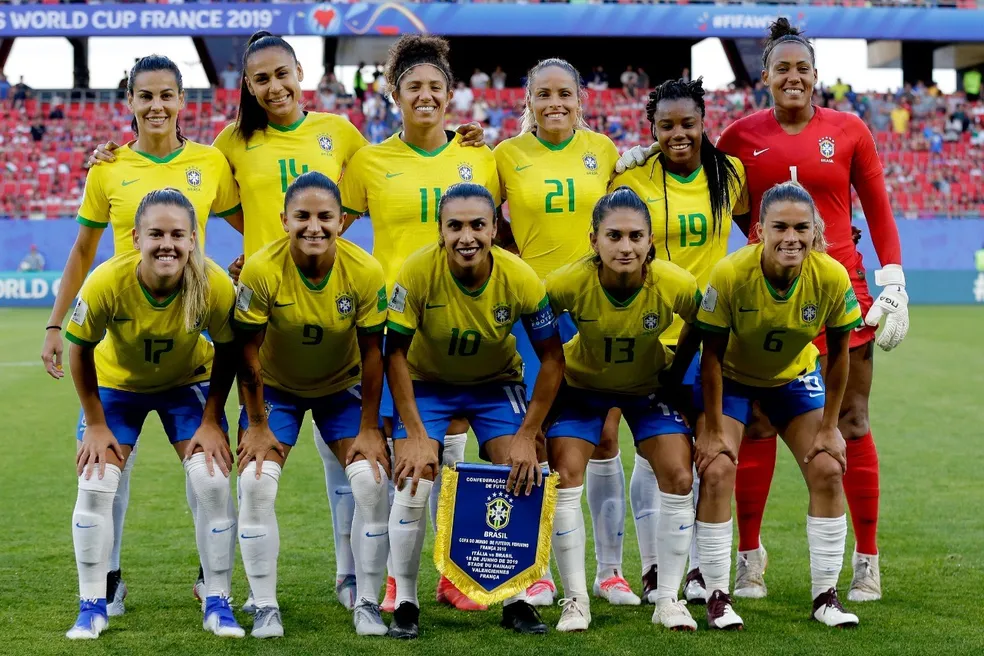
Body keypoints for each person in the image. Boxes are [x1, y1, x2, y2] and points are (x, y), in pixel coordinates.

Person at [85, 31, 485, 610]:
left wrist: (459, 138)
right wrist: (118, 153)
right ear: (247, 87)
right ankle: (222, 580)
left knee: (350, 453)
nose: (274, 87)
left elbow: (387, 173)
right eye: (261, 79)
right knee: (248, 454)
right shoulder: (231, 142)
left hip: (339, 306)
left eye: (282, 74)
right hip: (262, 312)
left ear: (301, 73)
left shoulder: (341, 134)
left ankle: (355, 576)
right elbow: (188, 182)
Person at [616, 18, 907, 603]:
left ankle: (866, 560)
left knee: (851, 421)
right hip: (762, 302)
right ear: (765, 78)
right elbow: (692, 155)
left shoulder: (850, 130)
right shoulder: (742, 136)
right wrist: (640, 151)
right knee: (756, 424)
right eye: (782, 69)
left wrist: (893, 279)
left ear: (817, 76)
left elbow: (877, 208)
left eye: (803, 68)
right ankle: (748, 560)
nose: (793, 77)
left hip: (837, 291)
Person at [42, 55, 243, 618]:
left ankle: (213, 580)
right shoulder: (107, 167)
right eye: (145, 95)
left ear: (183, 102)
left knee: (207, 473)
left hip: (189, 351)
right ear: (129, 101)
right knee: (106, 470)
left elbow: (257, 223)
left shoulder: (211, 163)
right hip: (121, 345)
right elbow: (84, 252)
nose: (156, 105)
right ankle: (106, 581)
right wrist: (58, 324)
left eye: (167, 95)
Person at [339, 34, 499, 613]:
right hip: (390, 327)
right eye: (414, 87)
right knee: (394, 456)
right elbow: (329, 224)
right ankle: (389, 578)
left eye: (435, 87)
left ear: (450, 94)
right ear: (394, 95)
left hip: (460, 326)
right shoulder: (368, 162)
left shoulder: (481, 156)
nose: (425, 96)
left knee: (450, 457)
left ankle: (453, 573)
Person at [384, 182, 565, 639]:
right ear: (440, 230)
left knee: (521, 468)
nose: (467, 236)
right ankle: (405, 600)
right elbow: (394, 355)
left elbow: (553, 359)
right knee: (414, 472)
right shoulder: (417, 271)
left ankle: (518, 599)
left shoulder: (520, 276)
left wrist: (528, 433)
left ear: (495, 228)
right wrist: (414, 431)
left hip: (493, 386)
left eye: (478, 225)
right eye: (456, 226)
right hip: (428, 385)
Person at [64, 189, 241, 640]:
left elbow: (229, 348)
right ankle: (92, 604)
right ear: (135, 237)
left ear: (194, 238)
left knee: (213, 479)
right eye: (156, 234)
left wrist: (211, 418)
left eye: (178, 234)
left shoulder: (212, 283)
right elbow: (79, 349)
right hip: (117, 388)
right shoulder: (107, 281)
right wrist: (96, 424)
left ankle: (217, 598)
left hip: (186, 385)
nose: (168, 243)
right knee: (96, 480)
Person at [493, 57, 631, 608]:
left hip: (595, 305)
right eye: (543, 94)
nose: (555, 103)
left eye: (565, 94)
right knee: (540, 435)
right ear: (528, 100)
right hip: (534, 309)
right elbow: (478, 213)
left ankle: (612, 571)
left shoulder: (604, 152)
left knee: (604, 437)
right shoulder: (504, 155)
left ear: (581, 99)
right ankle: (540, 565)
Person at [693, 181, 862, 630]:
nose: (791, 237)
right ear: (760, 231)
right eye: (780, 227)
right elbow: (709, 356)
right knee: (716, 469)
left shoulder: (831, 275)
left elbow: (840, 353)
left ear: (815, 231)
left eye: (801, 228)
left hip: (792, 376)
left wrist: (829, 427)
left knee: (828, 466)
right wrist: (711, 428)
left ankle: (826, 596)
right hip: (731, 378)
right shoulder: (730, 273)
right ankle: (716, 595)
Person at [232, 173, 389, 639]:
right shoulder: (262, 270)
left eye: (325, 217)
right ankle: (264, 605)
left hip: (341, 388)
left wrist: (369, 428)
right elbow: (246, 352)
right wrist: (257, 424)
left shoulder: (364, 271)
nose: (314, 226)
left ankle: (366, 600)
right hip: (276, 389)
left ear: (343, 220)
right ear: (284, 220)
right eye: (302, 216)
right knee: (256, 483)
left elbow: (374, 353)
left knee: (370, 481)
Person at [611, 77, 747, 606]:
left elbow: (755, 232)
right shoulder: (634, 179)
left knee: (703, 456)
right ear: (652, 130)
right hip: (652, 334)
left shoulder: (730, 175)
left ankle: (693, 569)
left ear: (703, 121)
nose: (678, 134)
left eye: (687, 123)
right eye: (665, 126)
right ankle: (651, 567)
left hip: (708, 336)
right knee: (655, 456)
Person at [544, 188, 703, 632]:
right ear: (594, 239)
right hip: (582, 386)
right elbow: (533, 331)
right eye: (614, 235)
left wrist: (679, 375)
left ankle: (668, 599)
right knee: (566, 474)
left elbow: (706, 325)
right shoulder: (565, 283)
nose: (626, 246)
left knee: (678, 475)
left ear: (651, 239)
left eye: (636, 236)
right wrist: (536, 412)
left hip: (648, 389)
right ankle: (576, 599)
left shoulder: (676, 283)